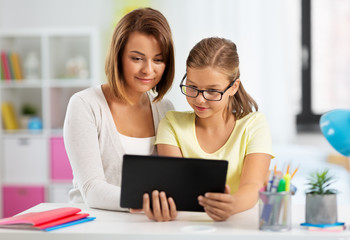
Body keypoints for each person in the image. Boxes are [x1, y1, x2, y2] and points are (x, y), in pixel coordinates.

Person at [144, 37, 274, 222]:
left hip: (237, 224)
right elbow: (174, 186)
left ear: (233, 87)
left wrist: (232, 205)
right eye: (192, 87)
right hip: (185, 226)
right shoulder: (172, 123)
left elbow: (253, 186)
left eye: (212, 91)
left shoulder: (254, 125)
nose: (200, 99)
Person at [63, 8, 175, 211]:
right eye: (137, 58)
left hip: (144, 224)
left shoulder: (165, 109)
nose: (148, 70)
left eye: (158, 59)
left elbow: (172, 177)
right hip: (92, 225)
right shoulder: (84, 104)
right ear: (118, 56)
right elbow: (91, 188)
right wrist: (143, 201)